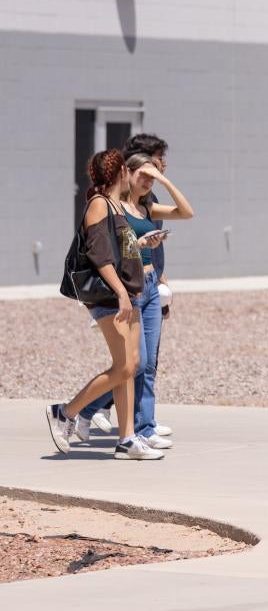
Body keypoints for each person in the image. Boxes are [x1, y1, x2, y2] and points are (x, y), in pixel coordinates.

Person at [67, 151, 196, 449]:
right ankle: (81, 410)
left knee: (143, 364)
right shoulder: (112, 207)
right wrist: (123, 291)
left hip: (147, 285)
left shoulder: (146, 209)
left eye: (154, 177)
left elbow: (187, 212)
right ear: (127, 172)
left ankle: (138, 429)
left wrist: (163, 179)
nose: (149, 181)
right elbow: (103, 254)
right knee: (132, 364)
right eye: (145, 175)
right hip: (128, 288)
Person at [46, 149, 163, 459]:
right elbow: (100, 256)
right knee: (125, 366)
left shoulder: (115, 206)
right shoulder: (98, 205)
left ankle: (126, 439)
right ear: (121, 171)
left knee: (131, 366)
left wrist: (141, 244)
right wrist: (122, 293)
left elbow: (118, 248)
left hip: (127, 293)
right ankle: (66, 411)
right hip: (110, 296)